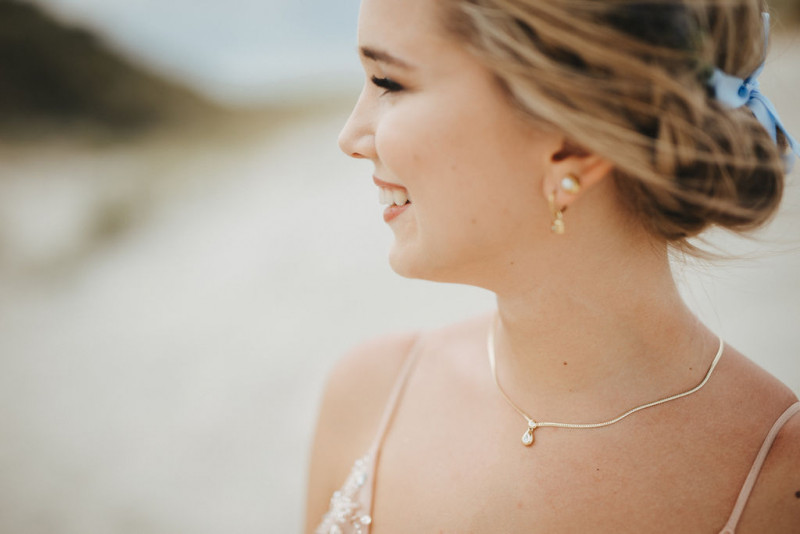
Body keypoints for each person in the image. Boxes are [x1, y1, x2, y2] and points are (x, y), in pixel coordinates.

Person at [305, 0, 800, 531]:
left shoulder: (773, 478)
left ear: (571, 143)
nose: (350, 137)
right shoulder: (369, 395)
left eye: (388, 81)